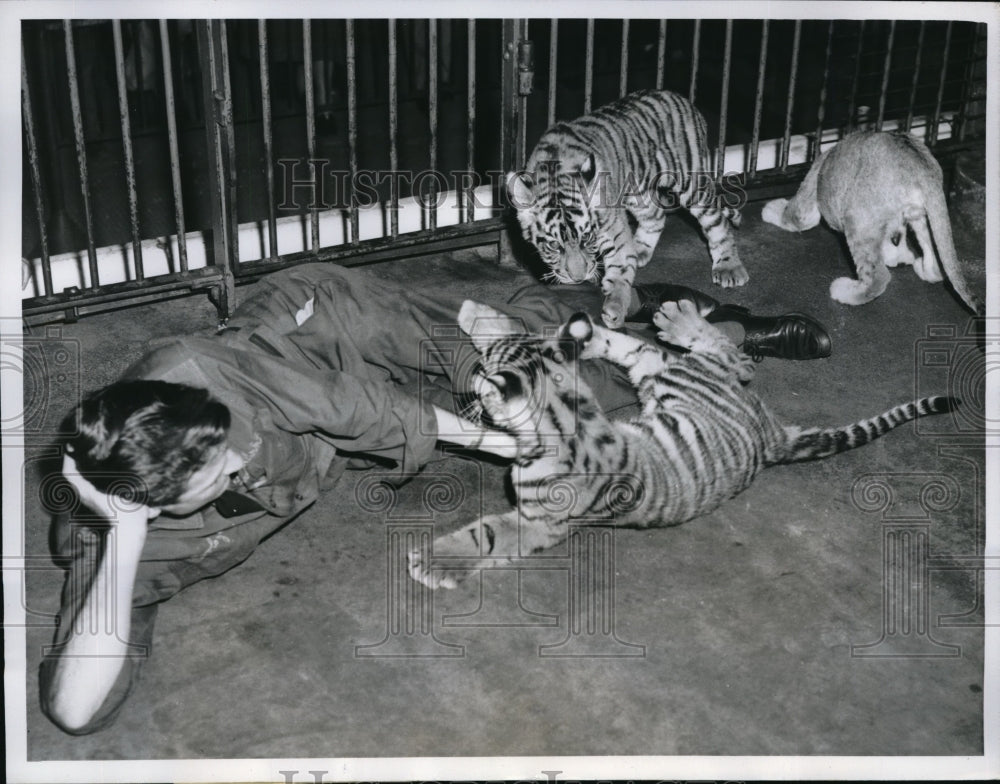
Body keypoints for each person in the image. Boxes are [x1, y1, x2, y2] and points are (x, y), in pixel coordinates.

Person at [39, 262, 830, 734]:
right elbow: (76, 710)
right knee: (533, 385)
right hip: (215, 478)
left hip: (326, 330)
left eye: (228, 438)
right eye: (221, 471)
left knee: (513, 344)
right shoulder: (117, 538)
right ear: (155, 502)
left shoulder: (200, 375)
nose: (239, 454)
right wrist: (124, 545)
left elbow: (360, 411)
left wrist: (515, 440)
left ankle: (706, 323)